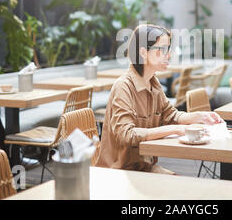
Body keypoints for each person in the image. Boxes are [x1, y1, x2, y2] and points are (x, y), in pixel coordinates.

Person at [95, 24, 224, 174]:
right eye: (161, 50)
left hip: (144, 167)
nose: (168, 55)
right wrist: (175, 129)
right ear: (143, 52)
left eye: (168, 49)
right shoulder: (123, 86)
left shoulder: (153, 82)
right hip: (120, 172)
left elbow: (171, 115)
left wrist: (200, 116)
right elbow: (127, 135)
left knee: (182, 185)